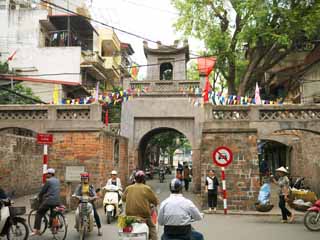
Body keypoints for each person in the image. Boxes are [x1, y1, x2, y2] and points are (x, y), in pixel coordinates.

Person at [122, 170, 159, 240]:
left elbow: (123, 199)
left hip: (130, 217)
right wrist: (154, 203)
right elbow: (155, 201)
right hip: (144, 216)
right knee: (152, 227)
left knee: (124, 229)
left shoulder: (128, 188)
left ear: (135, 179)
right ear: (144, 179)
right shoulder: (147, 188)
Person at [31, 168, 60, 236]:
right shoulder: (57, 180)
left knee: (39, 213)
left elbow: (43, 191)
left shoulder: (48, 181)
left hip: (49, 201)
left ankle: (37, 230)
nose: (46, 175)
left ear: (50, 174)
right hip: (57, 201)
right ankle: (54, 227)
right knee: (53, 215)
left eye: (47, 173)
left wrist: (38, 196)